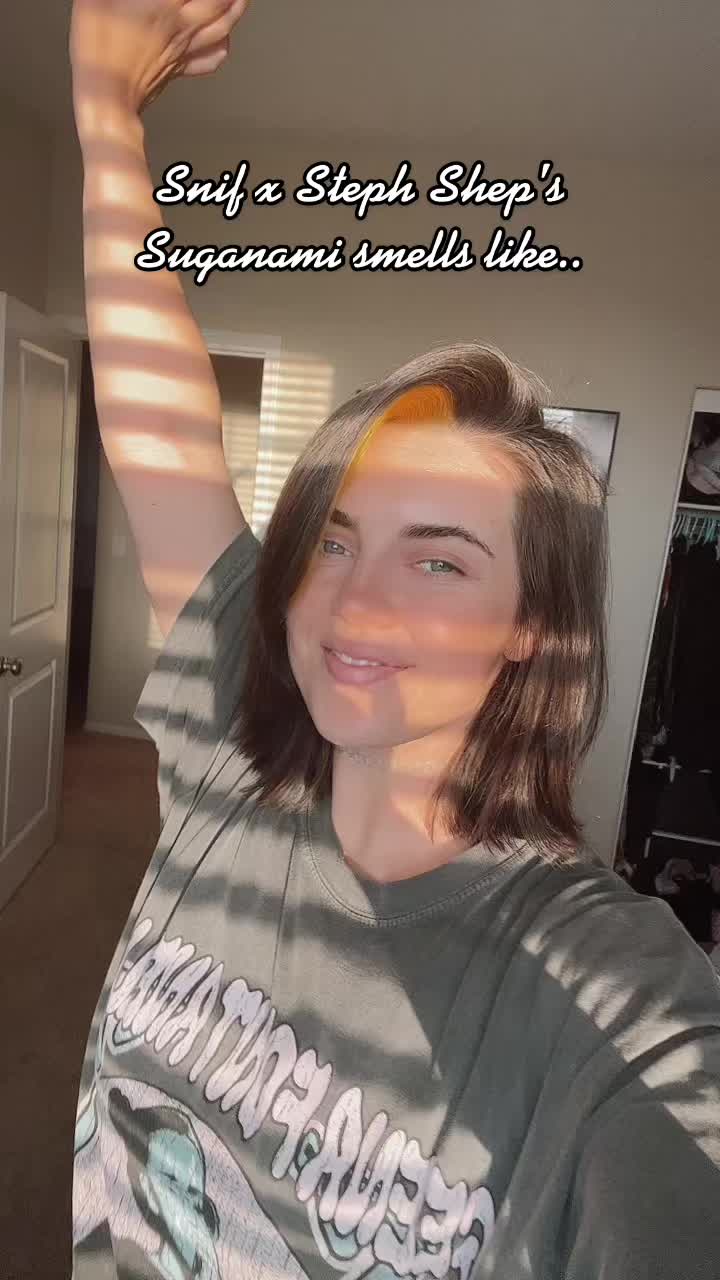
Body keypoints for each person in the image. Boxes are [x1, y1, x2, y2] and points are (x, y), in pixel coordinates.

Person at [68, 2, 720, 1277]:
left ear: (534, 625)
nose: (354, 602)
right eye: (335, 538)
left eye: (440, 558)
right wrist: (103, 113)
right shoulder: (233, 752)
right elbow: (161, 422)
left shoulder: (610, 990)